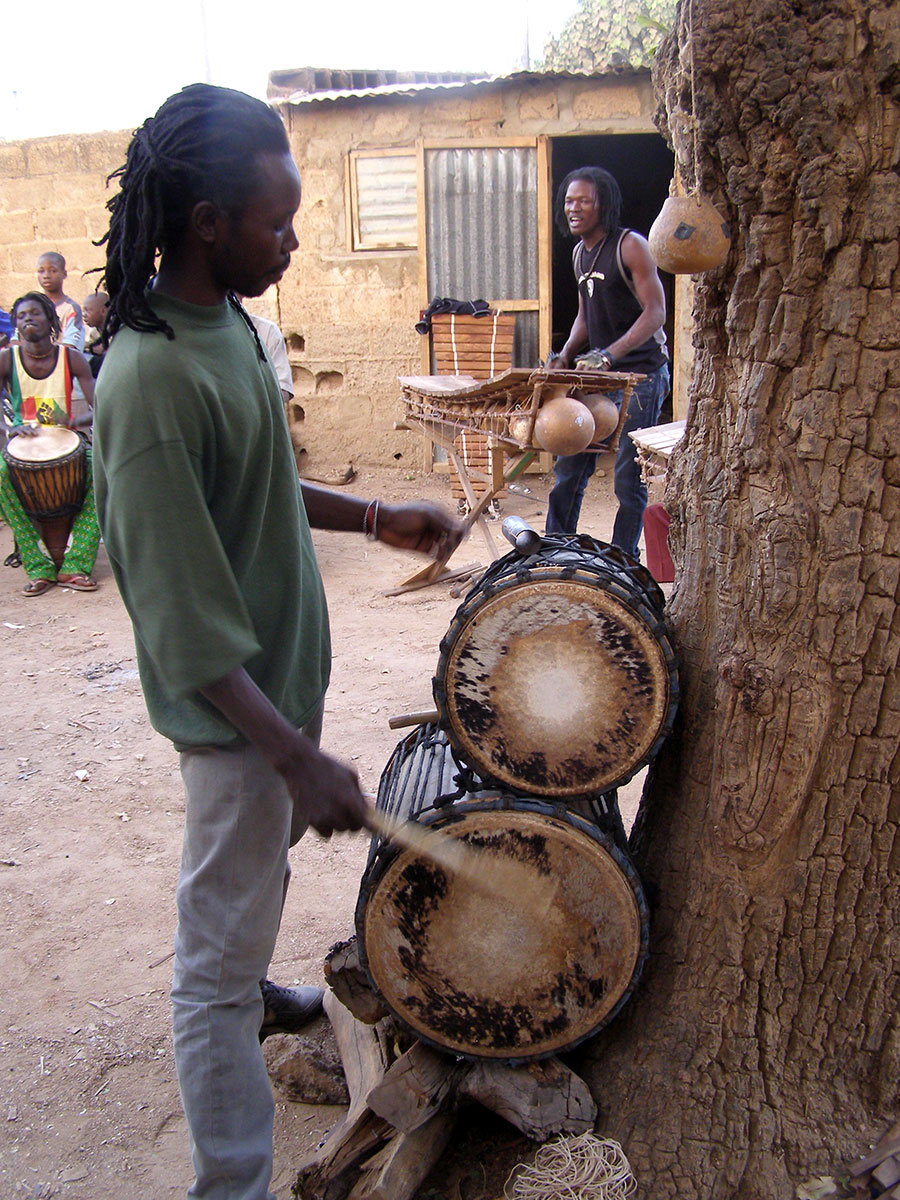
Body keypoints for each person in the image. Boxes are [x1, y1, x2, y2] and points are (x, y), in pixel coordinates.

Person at [92, 83, 463, 1200]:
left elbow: (251, 479)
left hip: (278, 690)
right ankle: (234, 1183)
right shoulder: (147, 377)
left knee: (253, 885)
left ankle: (257, 986)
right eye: (278, 224)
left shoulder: (232, 329)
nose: (292, 244)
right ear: (208, 225)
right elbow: (175, 611)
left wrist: (368, 515)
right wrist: (289, 755)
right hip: (233, 721)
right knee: (209, 967)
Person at [545, 167, 670, 559]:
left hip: (641, 376)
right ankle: (553, 551)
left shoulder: (630, 245)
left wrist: (609, 354)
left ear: (604, 203)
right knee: (570, 464)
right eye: (569, 201)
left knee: (628, 479)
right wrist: (564, 357)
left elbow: (655, 313)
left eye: (583, 200)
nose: (574, 208)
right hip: (599, 380)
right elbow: (585, 315)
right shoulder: (580, 252)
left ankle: (622, 561)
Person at [0, 292, 99, 595]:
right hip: (22, 447)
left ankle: (76, 563)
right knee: (0, 473)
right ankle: (37, 565)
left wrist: (77, 423)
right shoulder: (7, 359)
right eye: (21, 316)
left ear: (51, 320)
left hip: (67, 442)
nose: (27, 319)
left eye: (35, 313)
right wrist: (10, 429)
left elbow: (100, 406)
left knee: (101, 467)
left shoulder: (71, 357)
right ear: (15, 324)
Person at [36, 252, 85, 350]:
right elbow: (17, 340)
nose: (46, 276)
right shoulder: (32, 306)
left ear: (64, 274)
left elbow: (70, 346)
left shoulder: (70, 308)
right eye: (41, 271)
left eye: (53, 271)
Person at [82, 291, 109, 379]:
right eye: (83, 310)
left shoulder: (115, 329)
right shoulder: (94, 331)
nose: (84, 315)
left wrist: (104, 351)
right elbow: (89, 345)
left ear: (103, 311)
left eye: (88, 310)